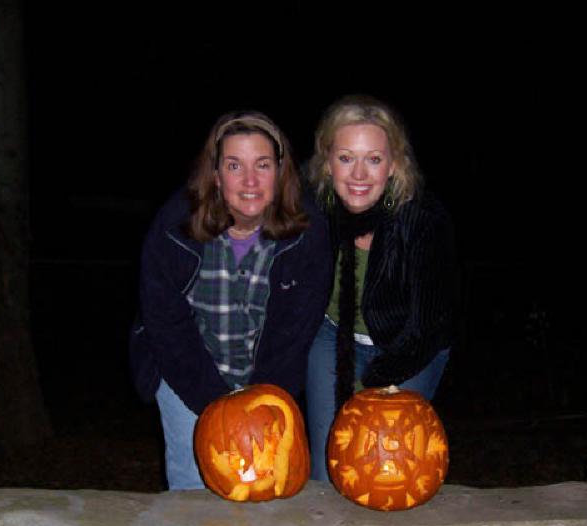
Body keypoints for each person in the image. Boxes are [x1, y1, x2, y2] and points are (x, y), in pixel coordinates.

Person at [130, 111, 332, 490]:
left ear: (281, 171)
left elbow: (294, 333)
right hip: (186, 369)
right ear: (216, 175)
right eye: (234, 165)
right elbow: (166, 326)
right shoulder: (174, 229)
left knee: (265, 481)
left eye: (263, 165)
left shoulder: (309, 234)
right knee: (194, 483)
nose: (250, 181)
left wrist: (260, 403)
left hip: (267, 374)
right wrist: (213, 403)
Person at [305, 95, 455, 481]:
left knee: (386, 469)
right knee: (330, 467)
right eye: (345, 158)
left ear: (393, 165)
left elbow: (429, 324)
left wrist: (369, 387)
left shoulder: (422, 220)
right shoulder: (314, 208)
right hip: (332, 335)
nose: (358, 174)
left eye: (373, 159)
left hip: (406, 345)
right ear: (327, 162)